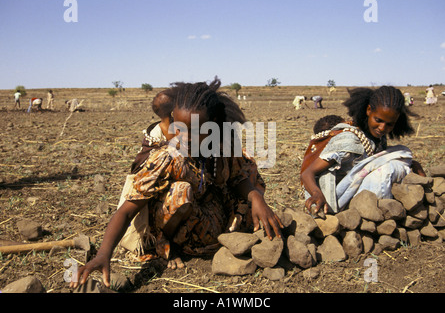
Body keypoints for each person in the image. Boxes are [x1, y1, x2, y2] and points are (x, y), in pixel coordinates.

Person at [71, 78, 283, 288]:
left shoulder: (222, 148)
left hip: (214, 224)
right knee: (181, 191)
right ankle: (168, 249)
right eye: (179, 128)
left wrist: (256, 197)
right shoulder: (168, 157)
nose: (184, 137)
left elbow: (238, 177)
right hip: (182, 235)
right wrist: (103, 255)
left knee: (249, 171)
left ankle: (233, 241)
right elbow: (126, 211)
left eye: (195, 130)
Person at [301, 86, 426, 215]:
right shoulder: (349, 140)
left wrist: (413, 164)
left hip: (361, 192)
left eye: (390, 124)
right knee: (386, 170)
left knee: (401, 154)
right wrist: (316, 194)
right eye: (378, 120)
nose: (382, 128)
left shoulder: (376, 138)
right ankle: (381, 215)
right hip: (338, 203)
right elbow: (307, 173)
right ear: (368, 110)